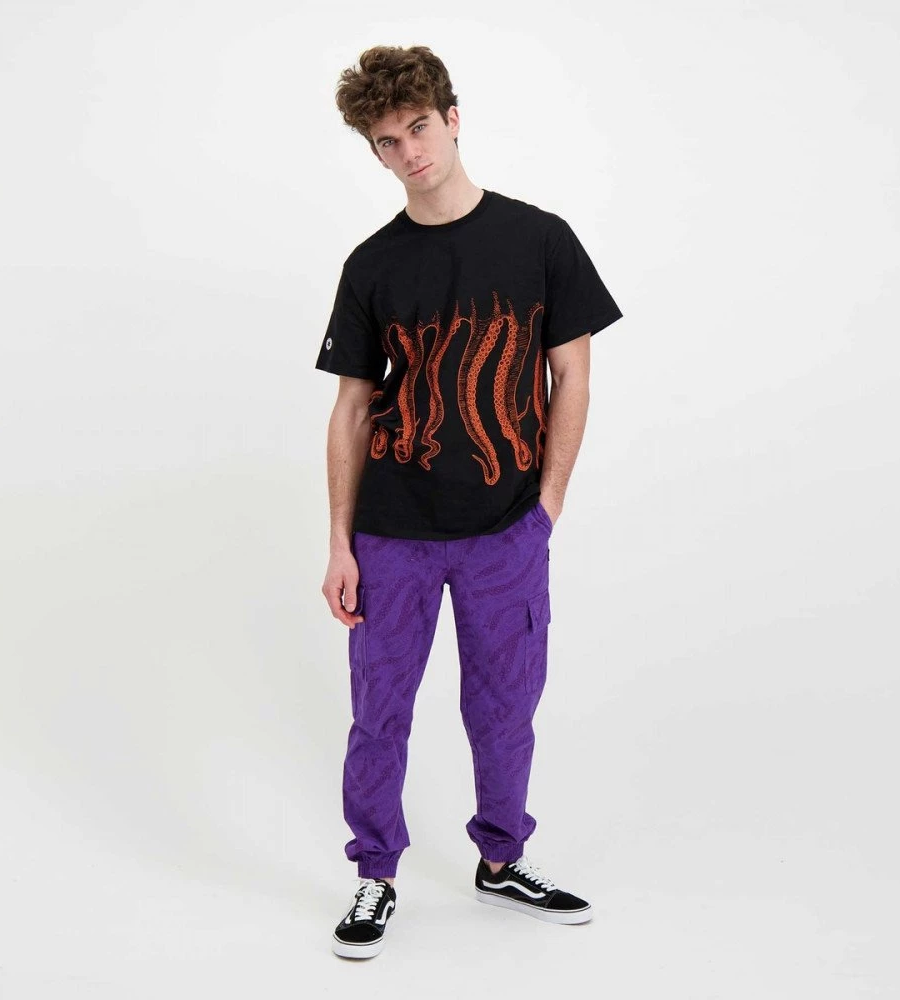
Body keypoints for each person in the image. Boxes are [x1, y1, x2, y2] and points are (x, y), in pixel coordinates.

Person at [315, 44, 623, 960]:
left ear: (453, 119)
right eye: (387, 141)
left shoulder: (540, 239)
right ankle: (376, 874)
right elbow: (351, 408)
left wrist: (547, 507)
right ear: (374, 153)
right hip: (391, 530)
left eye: (418, 127)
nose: (408, 151)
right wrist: (339, 542)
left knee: (504, 708)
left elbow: (572, 376)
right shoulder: (371, 265)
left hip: (505, 528)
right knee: (380, 712)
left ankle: (502, 860)